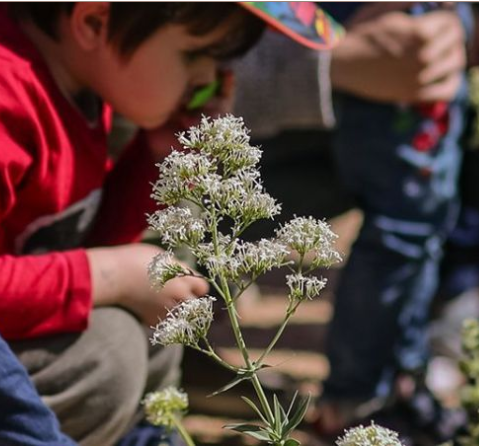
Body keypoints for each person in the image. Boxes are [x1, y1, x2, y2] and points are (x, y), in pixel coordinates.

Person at [0, 3, 342, 445]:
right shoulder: (8, 93)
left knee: (157, 322)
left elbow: (70, 238)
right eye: (194, 54)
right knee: (108, 355)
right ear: (93, 21)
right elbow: (88, 263)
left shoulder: (82, 82)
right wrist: (106, 275)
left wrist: (156, 157)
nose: (209, 78)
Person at [314, 3, 472, 443]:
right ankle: (359, 401)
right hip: (392, 35)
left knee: (424, 225)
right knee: (402, 231)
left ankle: (402, 380)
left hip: (432, 28)